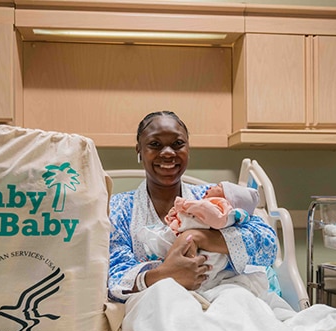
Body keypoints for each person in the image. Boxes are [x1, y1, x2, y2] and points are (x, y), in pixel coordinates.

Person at [107, 111, 278, 303]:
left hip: (220, 296)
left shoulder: (214, 198)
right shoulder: (118, 208)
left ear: (188, 148)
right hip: (156, 302)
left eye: (178, 144)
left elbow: (268, 246)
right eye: (155, 144)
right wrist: (165, 274)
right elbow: (113, 275)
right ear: (139, 150)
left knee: (239, 303)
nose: (168, 153)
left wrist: (200, 237)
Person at [135, 180, 263, 296]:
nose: (168, 153)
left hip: (207, 262)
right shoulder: (122, 207)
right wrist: (160, 274)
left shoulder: (215, 204)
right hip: (165, 281)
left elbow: (266, 243)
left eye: (218, 186)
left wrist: (195, 234)